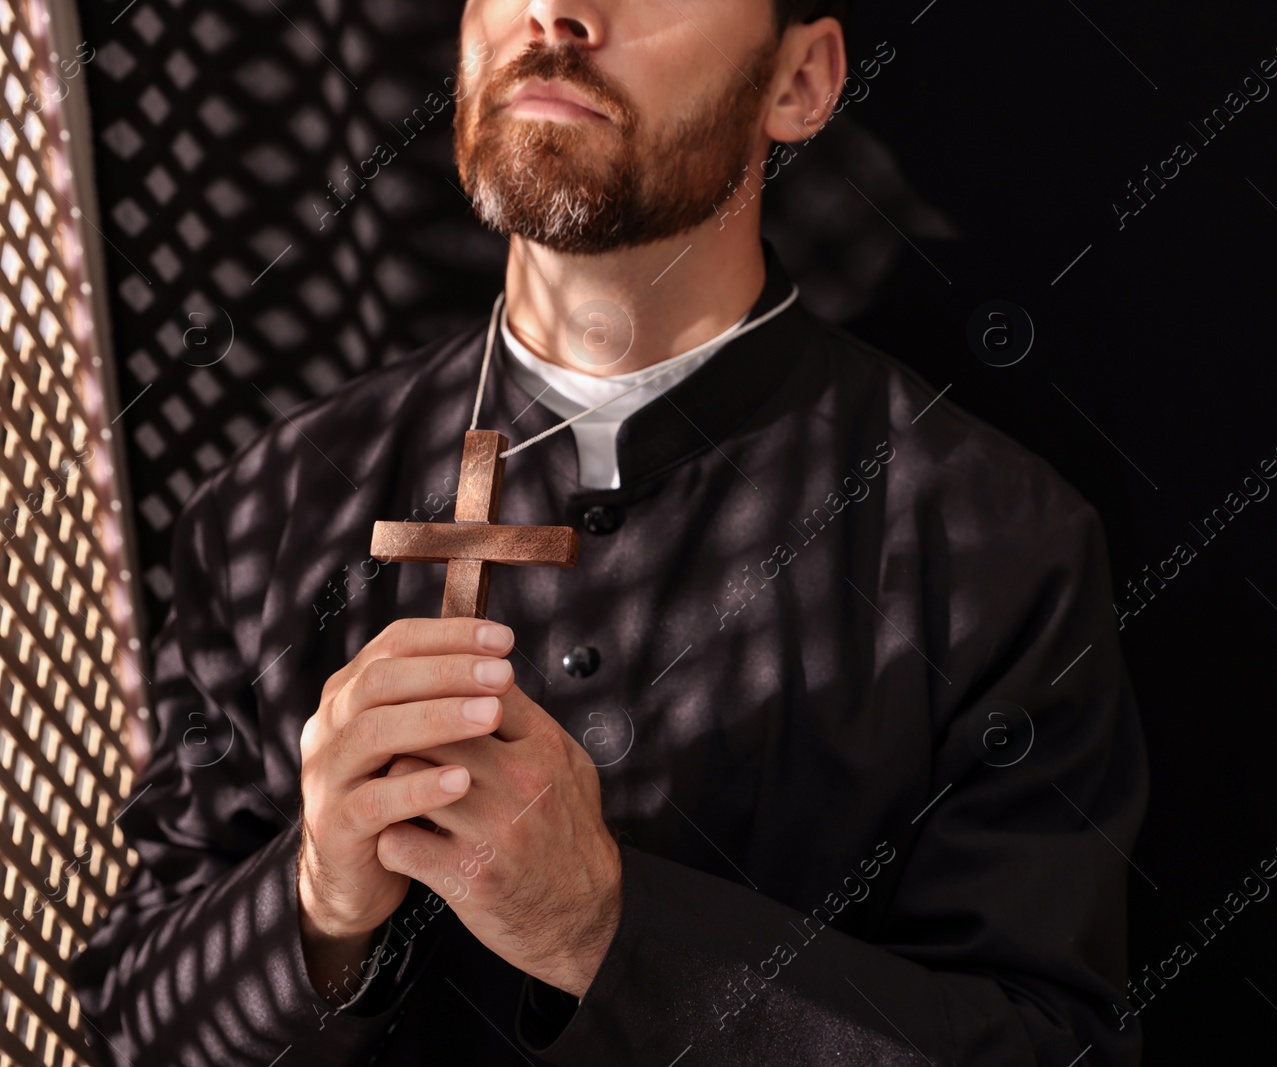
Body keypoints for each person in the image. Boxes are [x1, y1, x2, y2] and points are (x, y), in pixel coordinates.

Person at [69, 0, 1149, 1063]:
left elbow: (1052, 1046)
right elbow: (131, 1023)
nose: (556, 11)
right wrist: (315, 908)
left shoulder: (996, 545)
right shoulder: (278, 503)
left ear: (801, 81)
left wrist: (606, 930)